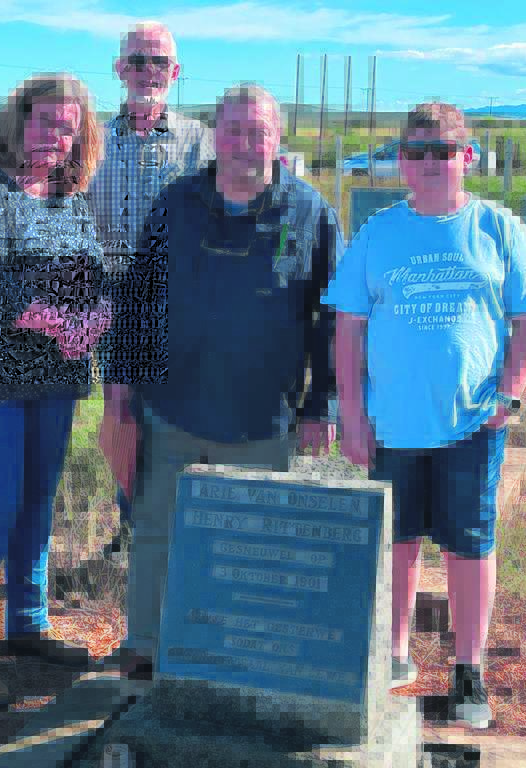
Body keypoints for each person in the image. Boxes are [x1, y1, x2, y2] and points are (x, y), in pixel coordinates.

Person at [323, 102, 526, 729]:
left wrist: (510, 395)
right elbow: (348, 330)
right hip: (391, 424)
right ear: (401, 161)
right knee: (395, 542)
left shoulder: (496, 226)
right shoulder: (378, 233)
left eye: (443, 151)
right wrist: (352, 414)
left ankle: (467, 671)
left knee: (469, 545)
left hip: (471, 422)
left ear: (468, 157)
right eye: (416, 151)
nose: (429, 162)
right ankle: (393, 653)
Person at [98, 83, 338, 679]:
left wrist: (322, 404)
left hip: (261, 418)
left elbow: (332, 319)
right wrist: (120, 393)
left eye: (258, 132)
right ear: (215, 136)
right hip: (171, 408)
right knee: (156, 531)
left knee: (253, 545)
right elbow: (137, 300)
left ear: (277, 139)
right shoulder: (177, 203)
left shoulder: (309, 213)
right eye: (233, 130)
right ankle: (146, 649)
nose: (244, 144)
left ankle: (236, 661)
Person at [0, 73, 111, 708]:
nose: (56, 136)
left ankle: (27, 624)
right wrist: (61, 322)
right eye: (46, 122)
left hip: (53, 376)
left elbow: (95, 272)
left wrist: (97, 316)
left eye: (69, 127)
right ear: (19, 121)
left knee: (37, 502)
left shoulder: (72, 200)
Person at [89, 21, 214, 561]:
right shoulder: (92, 141)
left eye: (158, 61)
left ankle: (180, 535)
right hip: (114, 298)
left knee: (177, 420)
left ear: (175, 71)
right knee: (122, 420)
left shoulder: (201, 142)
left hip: (177, 301)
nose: (148, 71)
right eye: (137, 61)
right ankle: (134, 527)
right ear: (120, 69)